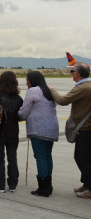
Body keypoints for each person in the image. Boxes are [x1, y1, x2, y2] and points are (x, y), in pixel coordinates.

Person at [50, 62, 91, 199]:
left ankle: (90, 188)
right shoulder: (88, 86)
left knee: (83, 158)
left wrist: (52, 90)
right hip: (86, 128)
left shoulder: (82, 88)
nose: (72, 74)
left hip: (84, 129)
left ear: (77, 74)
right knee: (81, 157)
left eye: (72, 71)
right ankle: (87, 183)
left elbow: (62, 100)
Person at [18, 71, 59, 197]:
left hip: (38, 129)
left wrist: (16, 114)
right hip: (52, 127)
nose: (26, 82)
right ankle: (48, 184)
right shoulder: (49, 90)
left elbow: (24, 112)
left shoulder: (33, 91)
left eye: (27, 79)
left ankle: (43, 187)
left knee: (40, 157)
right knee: (47, 156)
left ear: (32, 80)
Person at [0, 71, 23, 193]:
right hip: (13, 131)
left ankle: (0, 184)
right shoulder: (18, 99)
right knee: (12, 157)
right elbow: (21, 116)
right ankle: (13, 184)